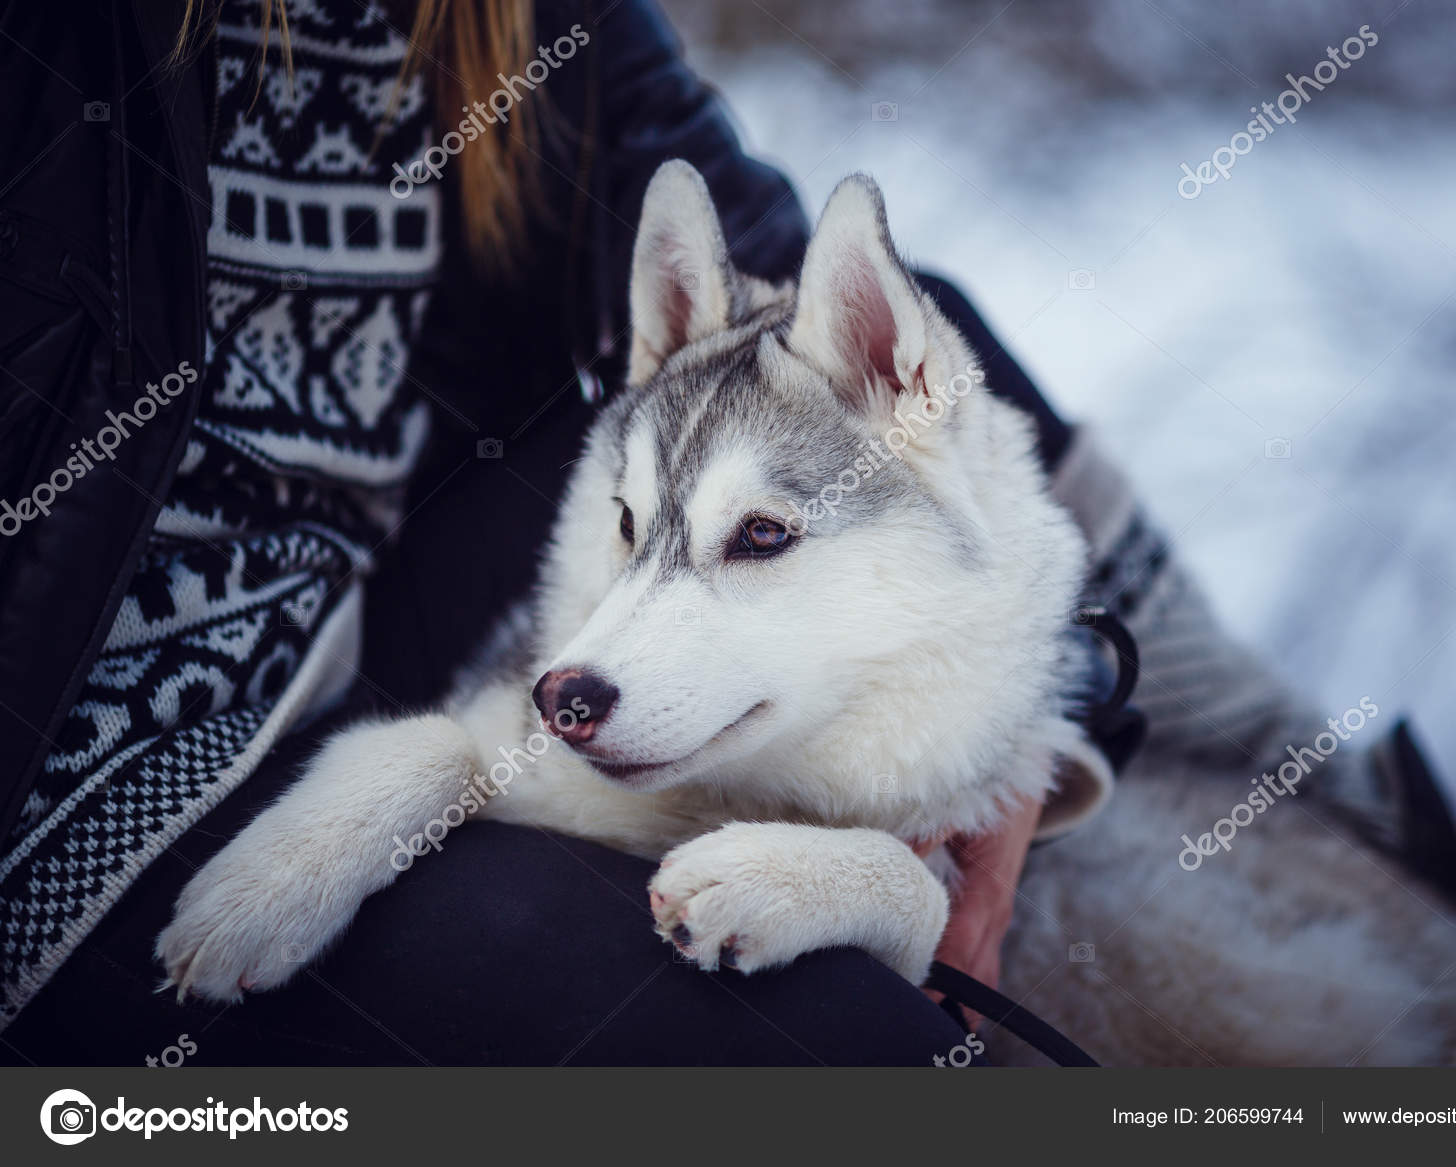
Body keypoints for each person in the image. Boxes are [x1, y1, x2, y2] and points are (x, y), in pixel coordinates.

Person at [0, 0, 1123, 1065]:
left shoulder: (505, 18)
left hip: (343, 621)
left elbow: (800, 275)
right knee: (838, 1046)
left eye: (765, 541)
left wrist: (1048, 694)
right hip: (63, 733)